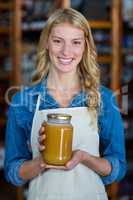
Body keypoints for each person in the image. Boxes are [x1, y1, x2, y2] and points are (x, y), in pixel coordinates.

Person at [4, 8, 126, 200]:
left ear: (85, 46)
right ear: (46, 43)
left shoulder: (104, 99)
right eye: (57, 41)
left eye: (75, 42)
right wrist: (42, 162)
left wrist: (84, 157)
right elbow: (12, 172)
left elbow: (117, 168)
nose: (66, 51)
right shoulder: (23, 103)